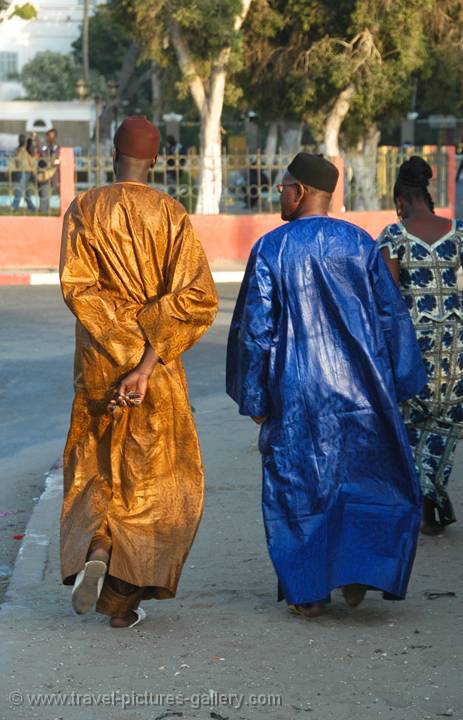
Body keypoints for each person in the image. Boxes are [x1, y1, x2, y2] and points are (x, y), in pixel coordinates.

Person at [226, 152, 427, 618]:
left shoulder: (272, 248)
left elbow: (255, 331)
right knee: (361, 479)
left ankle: (308, 593)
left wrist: (256, 398)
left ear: (299, 191)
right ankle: (357, 571)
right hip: (361, 390)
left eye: (283, 186)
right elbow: (391, 316)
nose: (279, 192)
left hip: (296, 389)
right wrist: (397, 383)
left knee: (298, 487)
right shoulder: (359, 244)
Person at [60, 116, 218, 628]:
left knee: (97, 470)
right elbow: (197, 298)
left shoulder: (83, 208)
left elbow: (78, 288)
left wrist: (119, 346)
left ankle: (100, 549)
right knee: (157, 480)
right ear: (155, 159)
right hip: (155, 368)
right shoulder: (170, 215)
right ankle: (121, 603)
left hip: (99, 366)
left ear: (113, 151)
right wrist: (145, 360)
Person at [377, 156, 463, 534]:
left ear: (400, 200)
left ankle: (419, 506)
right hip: (455, 346)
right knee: (445, 422)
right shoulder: (457, 231)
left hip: (413, 346)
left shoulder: (394, 236)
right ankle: (433, 501)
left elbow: (387, 298)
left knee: (409, 423)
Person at [9, 134, 36, 212]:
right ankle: (32, 207)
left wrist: (34, 171)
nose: (21, 140)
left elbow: (32, 161)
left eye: (22, 139)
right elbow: (13, 161)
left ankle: (14, 206)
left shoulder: (28, 149)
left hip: (26, 172)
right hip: (19, 172)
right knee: (26, 191)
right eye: (20, 139)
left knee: (19, 188)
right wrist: (9, 169)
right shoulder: (17, 149)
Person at [39, 128, 60, 212]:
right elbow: (42, 158)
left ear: (55, 137)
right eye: (49, 136)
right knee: (44, 192)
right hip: (45, 174)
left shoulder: (57, 148)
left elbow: (56, 160)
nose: (50, 138)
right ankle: (44, 211)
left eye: (52, 136)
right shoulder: (43, 147)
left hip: (55, 174)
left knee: (60, 193)